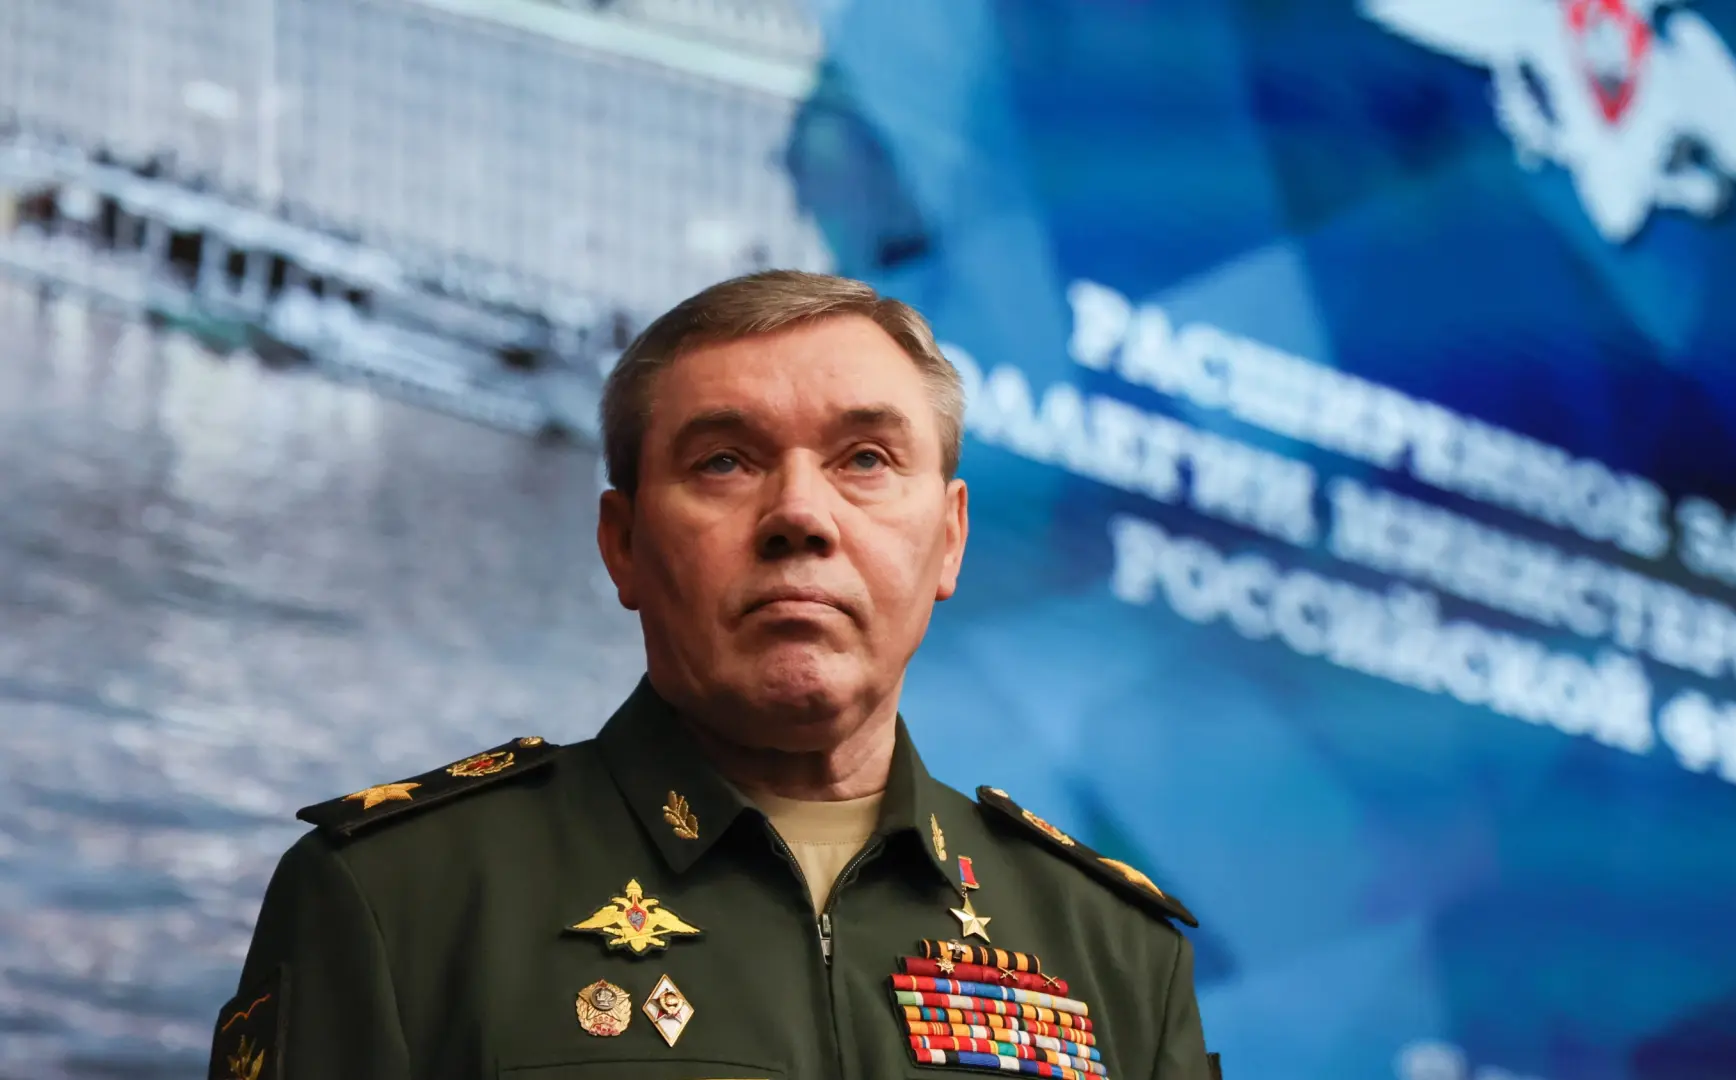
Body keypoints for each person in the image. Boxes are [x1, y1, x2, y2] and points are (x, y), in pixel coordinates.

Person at [207, 270, 1219, 1079]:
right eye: (725, 462)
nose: (801, 515)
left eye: (866, 459)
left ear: (950, 540)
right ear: (624, 545)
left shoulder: (1114, 953)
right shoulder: (398, 901)